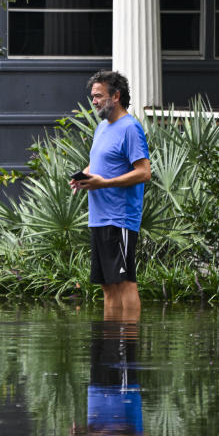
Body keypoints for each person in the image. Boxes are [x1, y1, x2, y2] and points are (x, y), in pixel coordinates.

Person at [69, 70, 152, 317]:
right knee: (107, 285)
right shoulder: (102, 128)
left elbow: (144, 172)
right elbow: (97, 164)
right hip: (99, 217)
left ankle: (126, 348)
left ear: (116, 96)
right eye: (92, 96)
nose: (93, 101)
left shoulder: (130, 128)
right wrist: (81, 177)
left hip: (120, 218)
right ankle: (109, 346)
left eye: (98, 96)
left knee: (125, 283)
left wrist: (105, 183)